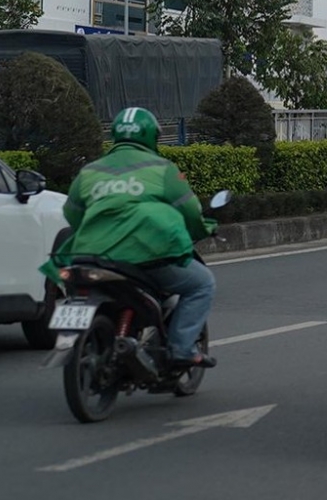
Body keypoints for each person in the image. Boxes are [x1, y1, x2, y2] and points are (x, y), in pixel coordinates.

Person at [53, 108, 219, 369]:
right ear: (152, 137)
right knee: (202, 284)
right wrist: (202, 230)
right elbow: (190, 213)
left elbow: (72, 214)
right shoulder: (163, 170)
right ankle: (181, 349)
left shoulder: (89, 171)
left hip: (90, 258)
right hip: (148, 257)